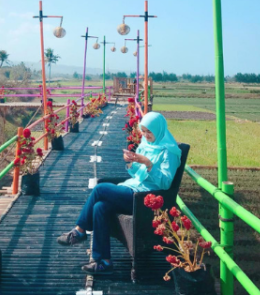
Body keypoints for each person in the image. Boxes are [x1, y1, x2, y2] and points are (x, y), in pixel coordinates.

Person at [56, 112, 182, 275]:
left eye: (149, 131)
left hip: (145, 198)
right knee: (100, 207)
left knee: (100, 189)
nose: (145, 135)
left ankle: (80, 231)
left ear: (158, 130)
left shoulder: (169, 152)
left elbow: (165, 183)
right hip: (133, 188)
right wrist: (132, 162)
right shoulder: (146, 144)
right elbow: (137, 175)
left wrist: (149, 164)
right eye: (143, 131)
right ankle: (103, 261)